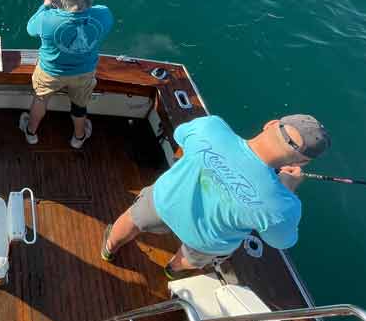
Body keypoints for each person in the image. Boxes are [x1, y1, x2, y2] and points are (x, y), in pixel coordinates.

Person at [101, 114, 330, 279]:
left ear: (270, 123)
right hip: (205, 240)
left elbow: (181, 135)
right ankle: (171, 271)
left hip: (164, 202)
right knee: (192, 257)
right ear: (302, 162)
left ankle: (109, 249)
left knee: (132, 218)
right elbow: (281, 241)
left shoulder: (210, 127)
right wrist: (286, 188)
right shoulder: (282, 206)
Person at [20, 0, 113, 148]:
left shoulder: (46, 19)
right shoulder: (104, 15)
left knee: (40, 99)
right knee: (79, 105)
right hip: (84, 72)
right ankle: (78, 138)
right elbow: (91, 11)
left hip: (50, 72)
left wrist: (46, 5)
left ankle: (31, 132)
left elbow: (30, 29)